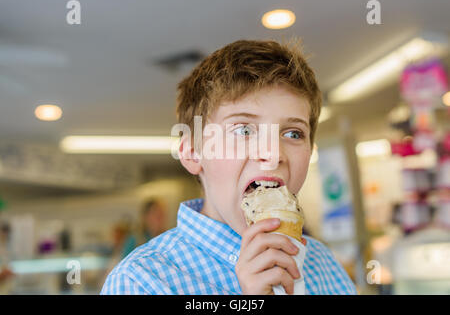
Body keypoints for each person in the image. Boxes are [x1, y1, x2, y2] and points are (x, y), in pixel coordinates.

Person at [101, 39, 357, 295]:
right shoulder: (140, 282)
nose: (272, 154)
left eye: (293, 133)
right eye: (244, 129)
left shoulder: (323, 263)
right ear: (192, 153)